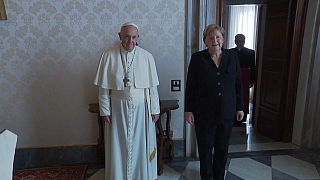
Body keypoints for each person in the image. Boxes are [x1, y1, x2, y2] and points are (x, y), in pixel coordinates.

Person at [93, 22, 160, 180]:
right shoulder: (108, 55)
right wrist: (105, 111)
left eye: (134, 37)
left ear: (138, 37)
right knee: (118, 145)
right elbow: (103, 90)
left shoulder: (147, 57)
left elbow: (152, 88)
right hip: (117, 109)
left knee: (140, 146)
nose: (130, 41)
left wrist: (155, 109)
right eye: (127, 37)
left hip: (142, 110)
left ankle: (140, 176)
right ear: (120, 36)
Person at [185, 24, 244, 180]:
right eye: (210, 37)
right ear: (205, 40)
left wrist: (240, 107)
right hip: (204, 113)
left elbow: (239, 84)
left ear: (223, 39)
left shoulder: (232, 57)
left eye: (218, 37)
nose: (214, 40)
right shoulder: (197, 58)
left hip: (226, 112)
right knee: (205, 150)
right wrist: (188, 110)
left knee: (222, 149)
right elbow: (190, 85)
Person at [230, 34, 256, 126]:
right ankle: (232, 115)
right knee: (232, 95)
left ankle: (243, 116)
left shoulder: (250, 52)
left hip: (245, 76)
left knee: (244, 96)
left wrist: (252, 80)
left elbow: (253, 67)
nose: (239, 42)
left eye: (241, 40)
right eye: (237, 40)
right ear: (235, 41)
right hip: (232, 76)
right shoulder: (230, 52)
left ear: (244, 41)